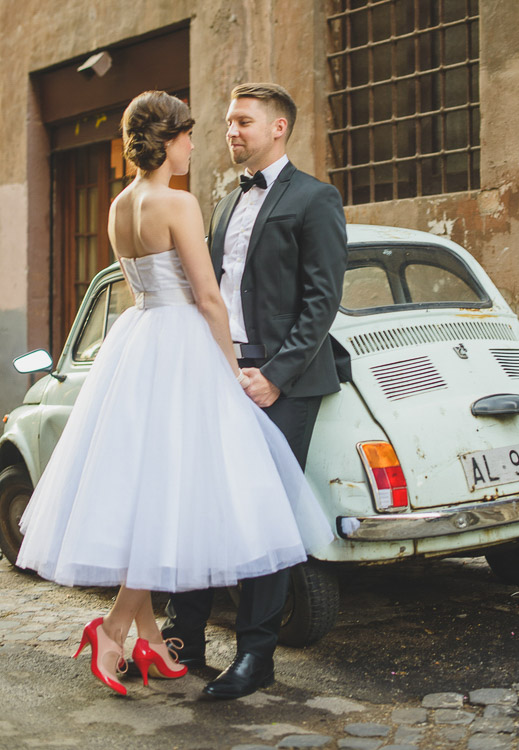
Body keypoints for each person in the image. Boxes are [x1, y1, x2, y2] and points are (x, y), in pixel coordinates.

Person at [16, 90, 333, 697]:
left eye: (240, 122)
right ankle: (124, 631)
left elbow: (144, 291)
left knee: (161, 494)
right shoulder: (185, 203)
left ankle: (166, 643)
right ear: (168, 141)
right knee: (180, 495)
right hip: (192, 350)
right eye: (194, 134)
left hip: (145, 343)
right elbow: (210, 299)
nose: (209, 140)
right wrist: (221, 369)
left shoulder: (117, 206)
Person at [161, 83, 348, 700]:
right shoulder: (222, 203)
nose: (231, 131)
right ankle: (182, 638)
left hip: (285, 382)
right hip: (221, 372)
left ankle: (256, 654)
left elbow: (322, 304)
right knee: (202, 502)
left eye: (244, 121)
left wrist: (275, 376)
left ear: (279, 128)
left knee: (265, 513)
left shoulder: (316, 199)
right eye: (228, 123)